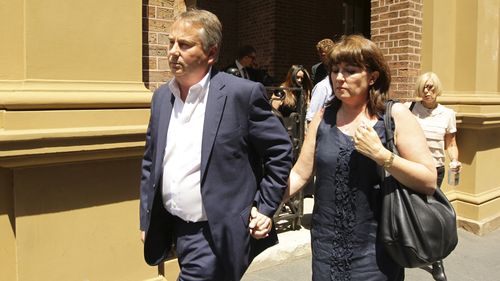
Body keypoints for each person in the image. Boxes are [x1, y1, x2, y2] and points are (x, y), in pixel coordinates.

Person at [139, 9, 293, 281]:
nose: (173, 51)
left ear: (211, 53)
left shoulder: (240, 94)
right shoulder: (162, 97)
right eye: (171, 42)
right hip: (174, 227)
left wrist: (265, 207)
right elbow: (151, 161)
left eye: (185, 44)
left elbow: (279, 151)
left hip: (216, 233)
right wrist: (146, 219)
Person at [286, 34, 437, 281]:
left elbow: (429, 180)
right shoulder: (324, 117)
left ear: (373, 77)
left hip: (376, 252)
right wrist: (265, 205)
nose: (339, 77)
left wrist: (382, 155)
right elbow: (301, 173)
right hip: (326, 249)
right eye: (335, 70)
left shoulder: (394, 115)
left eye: (350, 70)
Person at [409, 72, 461, 281]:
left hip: (435, 170)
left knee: (432, 215)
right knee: (409, 208)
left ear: (437, 89)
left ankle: (436, 259)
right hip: (411, 167)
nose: (427, 91)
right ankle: (408, 250)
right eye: (423, 87)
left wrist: (455, 160)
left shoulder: (447, 114)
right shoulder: (410, 109)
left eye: (430, 87)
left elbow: (451, 144)